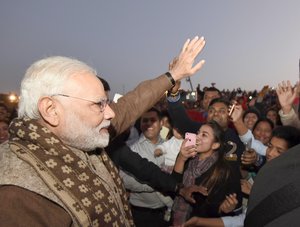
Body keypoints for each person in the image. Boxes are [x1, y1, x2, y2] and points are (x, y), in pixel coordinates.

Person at [0, 35, 206, 226]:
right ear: (51, 110)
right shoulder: (16, 194)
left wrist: (174, 75)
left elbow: (131, 104)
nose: (109, 113)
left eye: (107, 103)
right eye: (98, 104)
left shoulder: (82, 132)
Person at [171, 120, 241, 226]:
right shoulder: (186, 156)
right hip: (177, 218)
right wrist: (181, 158)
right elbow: (173, 185)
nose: (197, 137)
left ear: (215, 145)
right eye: (198, 132)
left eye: (204, 135)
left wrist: (222, 208)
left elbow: (211, 209)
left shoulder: (222, 170)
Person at [120, 107, 172, 227]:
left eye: (152, 120)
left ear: (161, 123)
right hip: (142, 214)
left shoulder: (169, 144)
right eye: (145, 120)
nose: (148, 123)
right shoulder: (131, 148)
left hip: (168, 211)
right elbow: (125, 180)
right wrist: (160, 182)